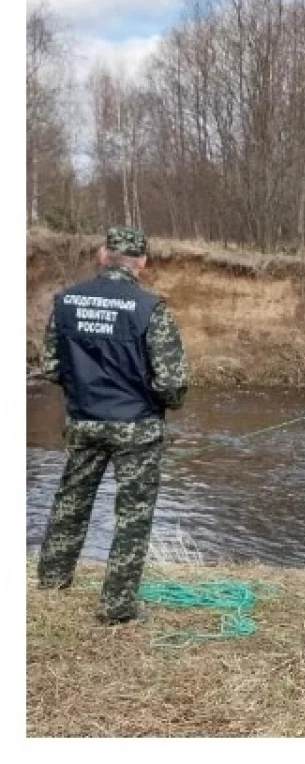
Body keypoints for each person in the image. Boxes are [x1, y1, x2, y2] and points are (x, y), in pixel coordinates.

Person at [36, 227, 189, 625]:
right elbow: (172, 384)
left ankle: (52, 581)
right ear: (142, 262)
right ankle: (117, 608)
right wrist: (157, 403)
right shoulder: (150, 307)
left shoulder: (65, 301)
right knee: (133, 515)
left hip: (83, 420)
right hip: (136, 426)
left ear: (103, 255)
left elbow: (50, 367)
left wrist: (83, 389)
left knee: (71, 501)